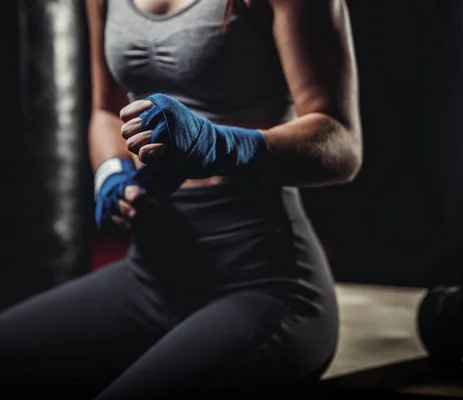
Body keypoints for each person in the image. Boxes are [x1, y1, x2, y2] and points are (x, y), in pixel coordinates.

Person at [0, 0, 362, 398]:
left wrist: (219, 144)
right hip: (150, 276)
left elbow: (342, 144)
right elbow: (107, 109)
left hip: (264, 282)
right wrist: (112, 173)